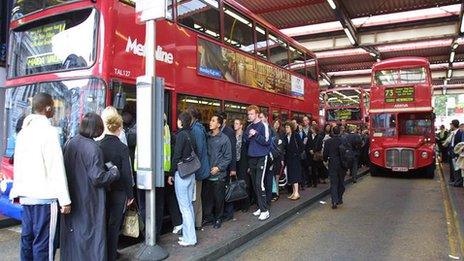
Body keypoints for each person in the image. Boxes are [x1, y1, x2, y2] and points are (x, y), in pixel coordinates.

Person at [10, 93, 71, 261]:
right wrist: (64, 199)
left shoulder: (23, 132)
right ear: (48, 108)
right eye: (53, 108)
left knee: (27, 240)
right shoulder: (49, 132)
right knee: (44, 244)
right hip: (45, 198)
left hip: (26, 196)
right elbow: (55, 168)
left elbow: (18, 164)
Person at [61, 113, 120, 261]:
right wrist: (113, 173)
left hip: (73, 196)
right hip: (90, 199)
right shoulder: (93, 148)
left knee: (75, 235)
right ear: (98, 128)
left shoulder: (71, 142)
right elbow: (98, 177)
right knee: (93, 235)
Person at [99, 110, 134, 261]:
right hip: (119, 192)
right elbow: (126, 173)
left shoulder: (98, 145)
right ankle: (112, 254)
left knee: (102, 222)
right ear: (119, 128)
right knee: (114, 225)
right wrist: (130, 195)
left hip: (103, 190)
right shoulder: (122, 147)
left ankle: (102, 254)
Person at [168, 112, 197, 246]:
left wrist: (171, 173)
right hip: (191, 173)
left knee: (184, 207)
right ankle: (187, 235)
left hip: (182, 174)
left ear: (181, 122)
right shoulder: (192, 133)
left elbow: (176, 155)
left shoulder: (180, 135)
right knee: (189, 205)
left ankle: (190, 239)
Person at [203, 113, 232, 229]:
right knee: (208, 198)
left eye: (213, 121)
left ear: (219, 124)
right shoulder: (207, 137)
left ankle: (218, 218)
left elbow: (228, 157)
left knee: (218, 199)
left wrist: (218, 168)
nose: (210, 122)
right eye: (211, 120)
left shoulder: (224, 139)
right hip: (207, 174)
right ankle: (209, 218)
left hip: (219, 175)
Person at [244, 105, 271, 221]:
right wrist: (249, 136)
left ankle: (265, 210)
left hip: (261, 157)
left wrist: (256, 134)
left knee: (259, 183)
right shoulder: (249, 126)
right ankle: (260, 207)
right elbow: (245, 139)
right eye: (248, 114)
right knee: (255, 184)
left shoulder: (263, 125)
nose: (249, 116)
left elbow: (266, 141)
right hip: (252, 157)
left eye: (251, 114)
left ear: (257, 114)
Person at [187, 107, 210, 230]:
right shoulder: (198, 128)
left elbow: (198, 151)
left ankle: (193, 225)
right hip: (201, 168)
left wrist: (193, 168)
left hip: (198, 169)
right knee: (198, 196)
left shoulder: (195, 130)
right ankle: (197, 223)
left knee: (194, 197)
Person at [218, 111, 237, 222]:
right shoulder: (220, 131)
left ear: (224, 120)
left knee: (229, 189)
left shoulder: (229, 131)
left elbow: (233, 150)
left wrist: (233, 168)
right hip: (222, 166)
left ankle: (229, 213)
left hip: (229, 166)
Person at [323, 125, 346, 209]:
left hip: (332, 163)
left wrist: (325, 160)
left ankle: (334, 201)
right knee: (341, 182)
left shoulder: (328, 142)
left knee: (333, 183)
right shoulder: (343, 140)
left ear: (332, 132)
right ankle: (339, 198)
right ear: (339, 132)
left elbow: (325, 153)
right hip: (342, 164)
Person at [283, 121, 304, 200]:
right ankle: (293, 192)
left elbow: (302, 146)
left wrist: (297, 154)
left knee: (295, 175)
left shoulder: (296, 135)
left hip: (295, 159)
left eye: (287, 127)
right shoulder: (286, 136)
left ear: (291, 128)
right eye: (285, 127)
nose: (286, 129)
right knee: (291, 175)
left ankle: (296, 193)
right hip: (289, 159)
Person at [259, 112, 276, 205]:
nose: (260, 119)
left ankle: (267, 201)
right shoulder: (260, 128)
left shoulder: (271, 130)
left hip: (269, 159)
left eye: (261, 117)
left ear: (266, 118)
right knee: (262, 181)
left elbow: (276, 145)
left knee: (268, 180)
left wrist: (272, 158)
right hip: (261, 158)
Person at [444, 120, 462, 186]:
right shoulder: (454, 133)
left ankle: (458, 182)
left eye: (451, 124)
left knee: (457, 167)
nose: (450, 126)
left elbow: (459, 144)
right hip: (452, 152)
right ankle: (455, 181)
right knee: (454, 167)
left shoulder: (459, 133)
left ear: (453, 125)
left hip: (456, 153)